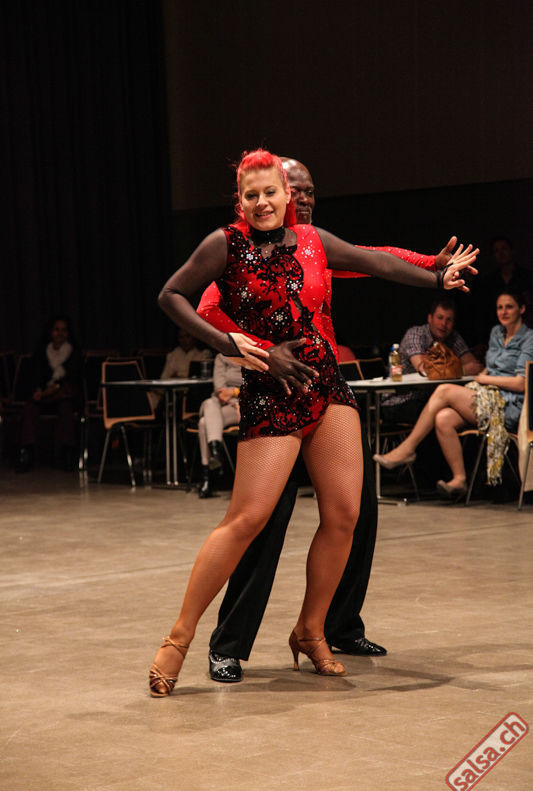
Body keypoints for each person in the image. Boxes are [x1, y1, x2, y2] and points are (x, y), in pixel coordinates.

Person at [148, 148, 477, 698]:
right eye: (251, 195)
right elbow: (173, 296)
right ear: (240, 201)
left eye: (271, 192)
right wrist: (243, 347)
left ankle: (311, 628)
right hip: (271, 391)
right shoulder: (223, 246)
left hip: (327, 387)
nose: (262, 202)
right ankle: (180, 638)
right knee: (247, 520)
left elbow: (376, 260)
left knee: (345, 515)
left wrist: (436, 274)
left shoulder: (312, 240)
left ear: (287, 197)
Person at [375, 291, 533, 499]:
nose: (503, 312)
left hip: (510, 405)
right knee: (443, 418)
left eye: (509, 307)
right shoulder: (497, 333)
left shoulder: (529, 338)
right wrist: (482, 377)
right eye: (500, 307)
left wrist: (486, 379)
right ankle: (459, 479)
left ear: (521, 309)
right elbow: (480, 368)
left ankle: (407, 448)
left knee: (444, 391)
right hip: (486, 396)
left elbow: (521, 383)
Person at [381, 297, 482, 425]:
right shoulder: (415, 334)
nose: (444, 324)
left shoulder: (453, 337)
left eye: (449, 320)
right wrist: (460, 369)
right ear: (430, 318)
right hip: (400, 400)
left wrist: (447, 368)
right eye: (440, 318)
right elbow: (425, 370)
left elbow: (475, 366)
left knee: (462, 409)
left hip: (432, 398)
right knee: (438, 412)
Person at [15, 315, 82, 472]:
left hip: (63, 393)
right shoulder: (42, 352)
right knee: (30, 407)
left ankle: (66, 453)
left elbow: (74, 377)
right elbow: (35, 375)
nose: (60, 333)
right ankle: (27, 452)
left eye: (63, 330)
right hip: (44, 394)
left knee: (66, 406)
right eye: (56, 329)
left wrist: (56, 387)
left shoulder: (73, 353)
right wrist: (38, 389)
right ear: (51, 332)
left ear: (68, 333)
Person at [198, 353, 242, 498]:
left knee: (204, 422)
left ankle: (208, 477)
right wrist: (234, 402)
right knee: (210, 405)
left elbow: (259, 388)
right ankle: (215, 451)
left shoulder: (254, 353)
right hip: (226, 405)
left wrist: (235, 393)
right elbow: (220, 391)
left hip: (246, 406)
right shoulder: (222, 357)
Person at [149, 327, 211, 409]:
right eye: (181, 337)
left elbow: (198, 376)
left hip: (192, 392)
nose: (184, 340)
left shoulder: (203, 354)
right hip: (172, 390)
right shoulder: (173, 355)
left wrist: (179, 375)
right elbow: (164, 377)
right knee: (152, 395)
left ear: (194, 337)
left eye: (187, 336)